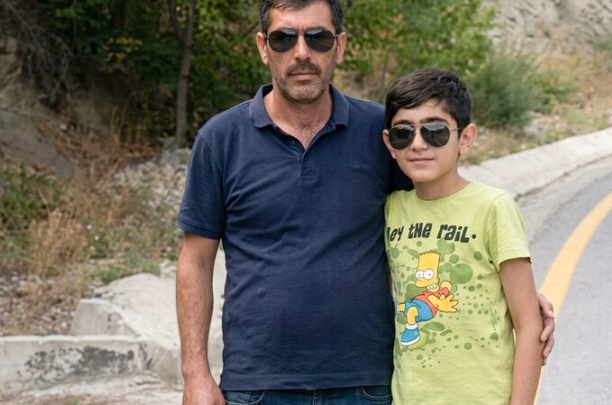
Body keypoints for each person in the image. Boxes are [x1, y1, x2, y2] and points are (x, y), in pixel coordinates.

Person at [175, 1, 554, 404]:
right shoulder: (220, 139)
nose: (301, 52)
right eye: (283, 38)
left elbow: (436, 210)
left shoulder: (383, 133)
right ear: (263, 47)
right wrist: (195, 373)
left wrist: (512, 295)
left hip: (366, 385)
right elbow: (195, 261)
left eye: (317, 38)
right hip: (256, 385)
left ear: (339, 46)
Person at [382, 68, 543, 404]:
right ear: (389, 143)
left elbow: (529, 325)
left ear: (465, 138)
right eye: (403, 133)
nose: (418, 144)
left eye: (435, 131)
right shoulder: (391, 209)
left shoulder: (493, 207)